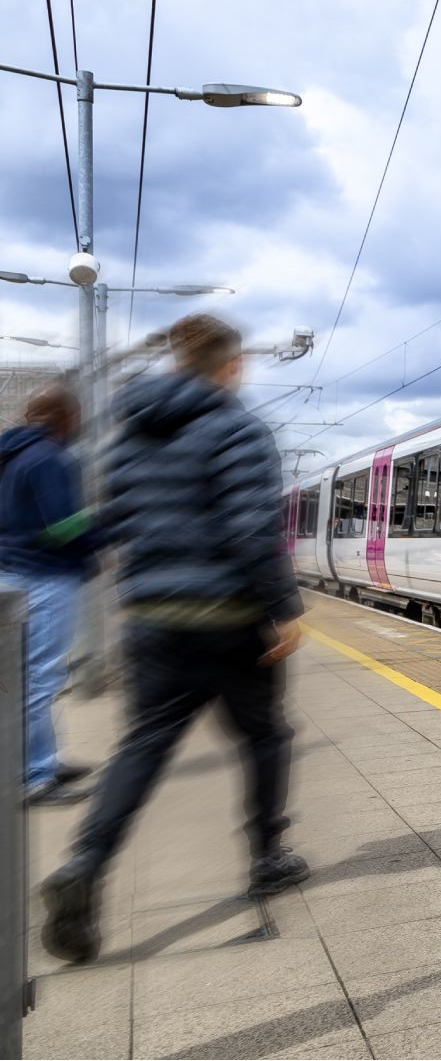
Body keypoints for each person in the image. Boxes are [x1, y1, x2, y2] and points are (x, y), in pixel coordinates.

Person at [41, 313, 308, 964]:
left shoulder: (130, 436)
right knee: (266, 734)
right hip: (228, 619)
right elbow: (251, 531)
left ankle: (84, 860)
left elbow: (113, 522)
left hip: (153, 622)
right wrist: (283, 607)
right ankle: (268, 855)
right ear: (230, 364)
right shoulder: (239, 427)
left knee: (143, 745)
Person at [0, 381, 101, 806]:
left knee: (31, 677)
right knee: (41, 678)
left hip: (12, 574)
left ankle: (43, 759)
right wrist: (106, 525)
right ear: (66, 417)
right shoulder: (51, 458)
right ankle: (34, 777)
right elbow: (62, 528)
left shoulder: (10, 455)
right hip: (44, 578)